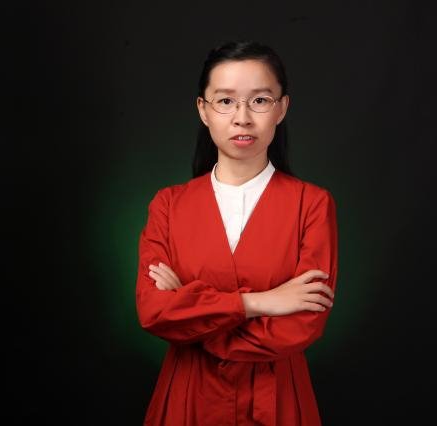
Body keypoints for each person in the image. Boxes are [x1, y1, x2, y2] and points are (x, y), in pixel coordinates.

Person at [135, 40, 338, 426]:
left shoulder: (312, 204)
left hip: (276, 400)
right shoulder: (168, 205)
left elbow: (301, 324)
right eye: (225, 101)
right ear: (203, 109)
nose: (242, 117)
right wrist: (257, 303)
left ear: (281, 108)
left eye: (260, 100)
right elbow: (154, 312)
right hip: (188, 398)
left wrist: (191, 315)